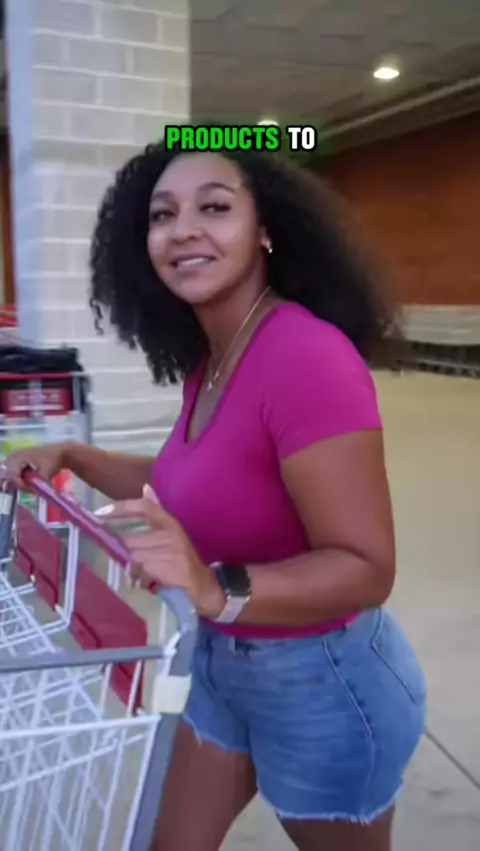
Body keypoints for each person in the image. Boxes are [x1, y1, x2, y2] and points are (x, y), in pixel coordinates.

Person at [4, 138, 426, 851]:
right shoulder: (217, 358)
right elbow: (190, 481)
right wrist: (74, 455)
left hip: (323, 684)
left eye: (215, 208)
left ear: (266, 230)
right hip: (217, 661)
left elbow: (365, 567)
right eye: (162, 215)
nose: (184, 229)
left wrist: (213, 585)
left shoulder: (306, 356)